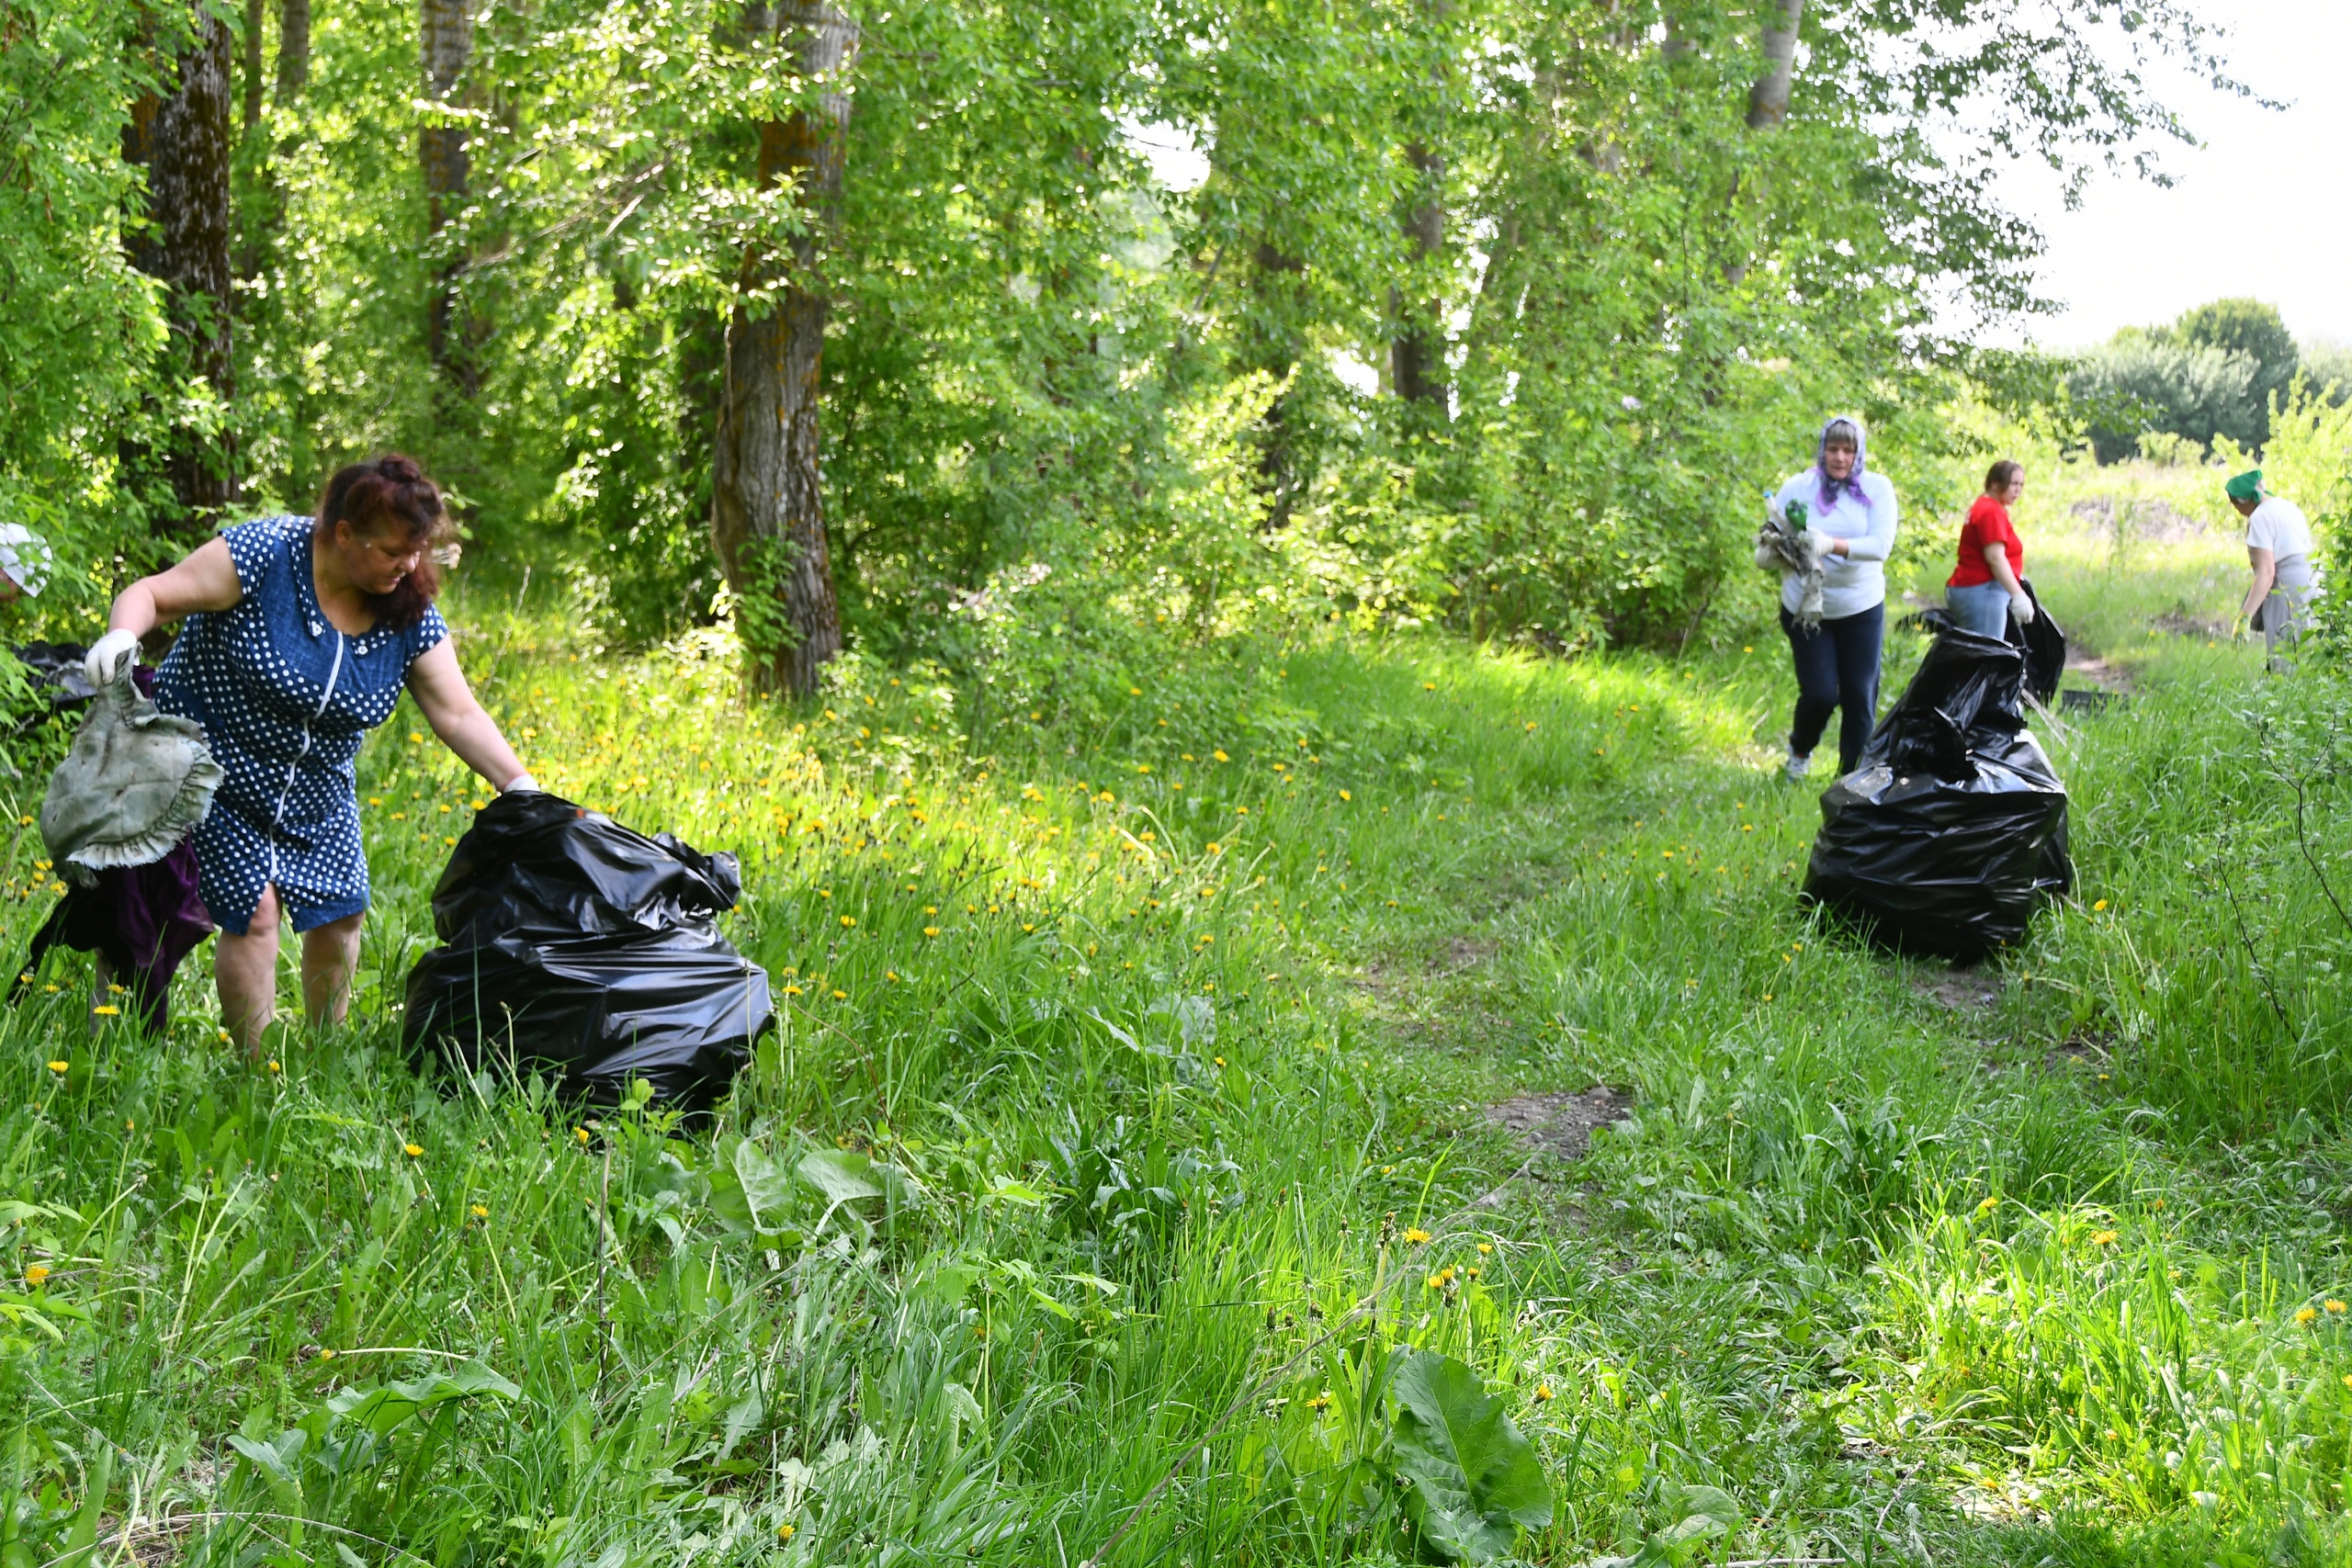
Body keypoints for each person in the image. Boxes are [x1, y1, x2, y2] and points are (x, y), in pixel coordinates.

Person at [83, 456, 537, 1054]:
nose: (409, 566)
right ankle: (257, 1068)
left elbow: (456, 712)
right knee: (257, 911)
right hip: (211, 765)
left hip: (315, 787)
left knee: (341, 913)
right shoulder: (264, 554)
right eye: (392, 550)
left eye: (417, 551)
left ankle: (326, 1053)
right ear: (343, 533)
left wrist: (521, 785)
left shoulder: (407, 604)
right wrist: (121, 638)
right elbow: (154, 596)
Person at [1765, 415, 1899, 780]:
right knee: (1821, 694)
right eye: (1833, 448)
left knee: (1859, 694)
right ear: (1822, 450)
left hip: (1860, 607)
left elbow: (1880, 546)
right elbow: (1773, 529)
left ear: (1859, 454)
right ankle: (1799, 754)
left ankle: (1851, 779)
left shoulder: (1878, 489)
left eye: (1848, 450)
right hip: (1807, 608)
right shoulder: (1798, 486)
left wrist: (1831, 545)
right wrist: (1770, 551)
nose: (1840, 457)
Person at [2226, 468, 2317, 665]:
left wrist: (2245, 617)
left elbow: (2266, 573)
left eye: (2234, 503)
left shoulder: (2259, 518)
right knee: (2309, 650)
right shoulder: (2287, 507)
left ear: (2243, 501)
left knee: (2285, 655)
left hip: (2287, 589)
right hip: (2313, 582)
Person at [1944, 460, 2034, 639]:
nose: (2018, 490)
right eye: (2014, 484)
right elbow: (1994, 557)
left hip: (1974, 589)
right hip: (1982, 591)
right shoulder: (1990, 511)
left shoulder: (1985, 506)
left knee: (1981, 652)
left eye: (2021, 485)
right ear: (1995, 483)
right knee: (1987, 653)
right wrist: (2018, 594)